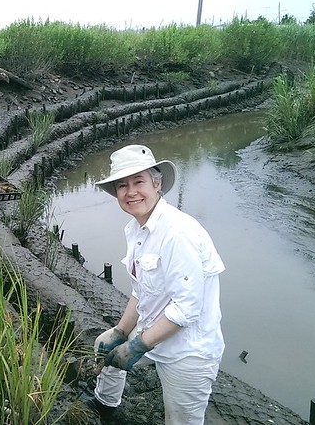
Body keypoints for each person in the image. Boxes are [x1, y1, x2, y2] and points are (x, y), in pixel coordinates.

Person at [84, 144, 225, 424]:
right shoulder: (137, 229)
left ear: (157, 184)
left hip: (188, 348)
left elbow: (185, 310)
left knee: (181, 420)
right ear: (116, 194)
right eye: (122, 186)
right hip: (153, 327)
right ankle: (105, 404)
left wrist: (136, 346)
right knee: (109, 352)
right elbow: (141, 290)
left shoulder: (178, 234)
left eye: (139, 181)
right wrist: (121, 332)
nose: (131, 191)